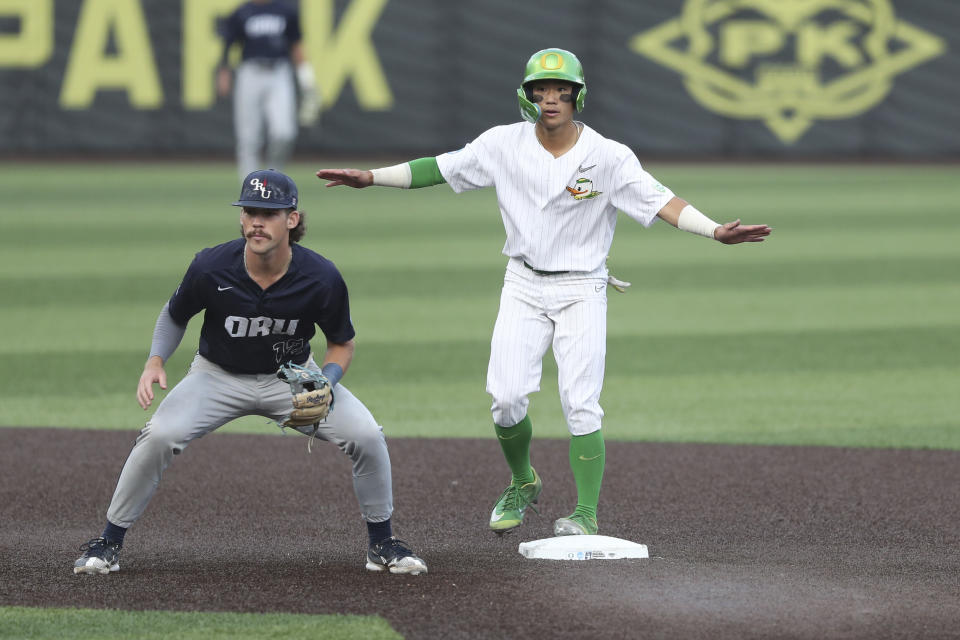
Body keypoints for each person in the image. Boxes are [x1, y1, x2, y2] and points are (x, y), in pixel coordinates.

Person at [315, 48, 771, 539]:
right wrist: (371, 178)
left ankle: (586, 513)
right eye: (541, 90)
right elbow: (439, 168)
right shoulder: (502, 144)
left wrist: (714, 231)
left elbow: (662, 201)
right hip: (524, 283)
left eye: (561, 91)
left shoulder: (608, 155)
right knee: (506, 399)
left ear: (578, 97)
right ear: (526, 95)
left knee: (581, 402)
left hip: (583, 287)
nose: (551, 99)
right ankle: (523, 480)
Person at [73, 169, 427, 576]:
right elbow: (175, 315)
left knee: (367, 437)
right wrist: (155, 360)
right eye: (250, 211)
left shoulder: (320, 276)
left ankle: (382, 542)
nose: (257, 221)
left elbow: (342, 342)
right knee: (159, 436)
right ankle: (108, 542)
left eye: (270, 212)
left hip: (292, 378)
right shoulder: (211, 266)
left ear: (291, 219)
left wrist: (325, 382)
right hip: (216, 377)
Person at [216, 0, 320, 181]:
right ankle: (249, 186)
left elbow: (296, 45)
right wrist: (224, 71)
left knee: (284, 132)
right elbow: (228, 44)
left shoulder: (285, 10)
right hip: (250, 73)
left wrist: (306, 79)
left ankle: (274, 176)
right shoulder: (242, 12)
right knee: (248, 136)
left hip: (279, 72)